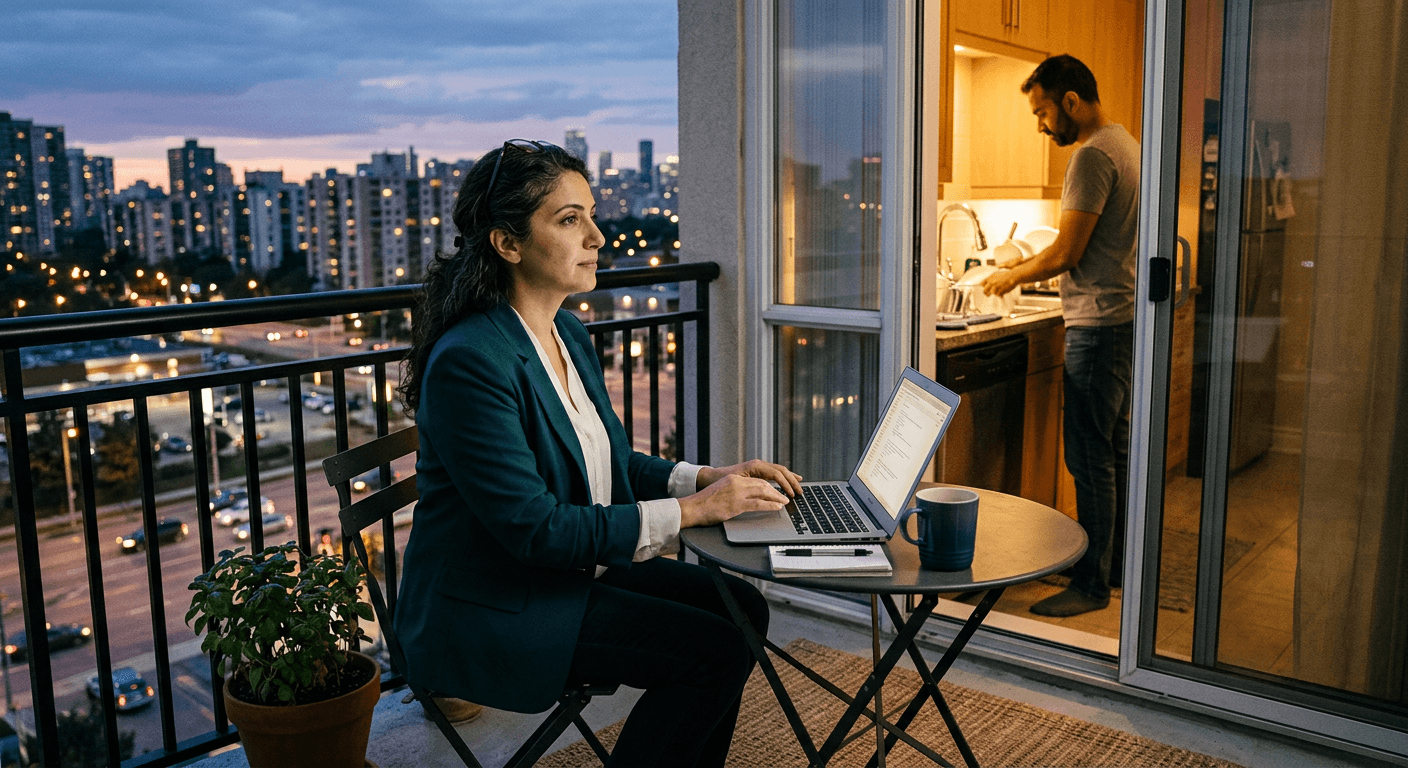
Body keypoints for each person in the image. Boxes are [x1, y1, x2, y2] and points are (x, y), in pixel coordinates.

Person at [393, 138, 803, 766]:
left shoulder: (567, 333)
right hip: (495, 604)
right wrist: (696, 513)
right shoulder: (470, 361)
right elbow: (535, 530)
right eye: (568, 219)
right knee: (711, 651)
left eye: (590, 213)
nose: (597, 237)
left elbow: (611, 463)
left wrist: (706, 478)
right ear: (507, 244)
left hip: (564, 574)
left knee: (741, 607)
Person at [981, 55, 1139, 617]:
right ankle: (1111, 565)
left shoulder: (1092, 156)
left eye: (1043, 111)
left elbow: (1067, 252)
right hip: (1119, 321)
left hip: (1096, 327)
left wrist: (1009, 275)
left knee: (1090, 456)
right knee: (1113, 450)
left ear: (1071, 101)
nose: (1041, 125)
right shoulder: (1128, 144)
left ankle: (1092, 585)